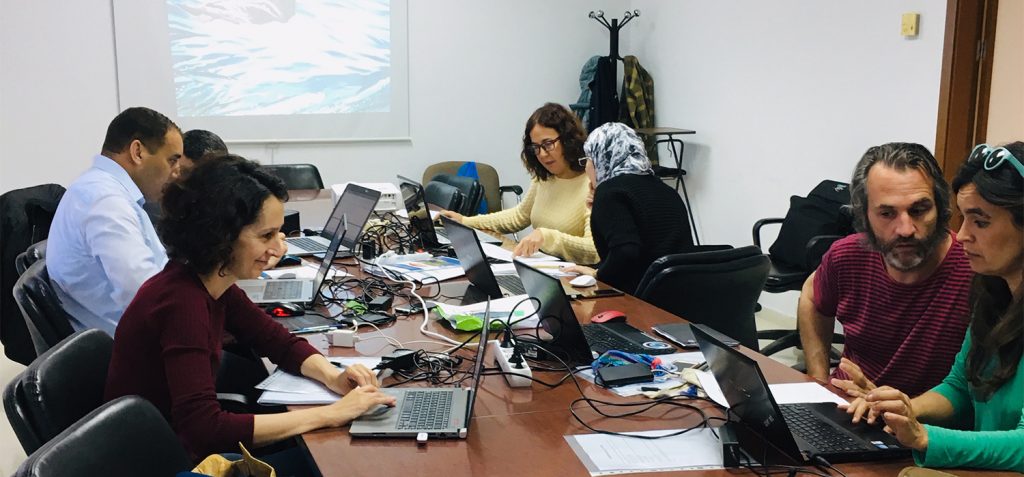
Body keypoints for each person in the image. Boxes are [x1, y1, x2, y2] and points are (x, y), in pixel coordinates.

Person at [104, 155, 396, 461]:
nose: (280, 248)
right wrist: (331, 414)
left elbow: (277, 341)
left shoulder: (207, 281)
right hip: (163, 462)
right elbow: (203, 429)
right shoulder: (182, 305)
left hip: (169, 447)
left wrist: (332, 376)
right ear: (221, 236)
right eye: (266, 236)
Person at [833, 141, 1023, 472]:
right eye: (964, 218)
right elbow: (960, 387)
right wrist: (904, 409)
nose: (962, 235)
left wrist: (924, 437)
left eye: (980, 222)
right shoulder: (993, 293)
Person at [798, 142, 972, 396]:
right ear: (865, 215)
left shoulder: (975, 269)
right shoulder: (846, 256)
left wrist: (903, 409)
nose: (905, 229)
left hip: (926, 416)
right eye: (887, 214)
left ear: (940, 207)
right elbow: (811, 296)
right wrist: (819, 382)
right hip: (847, 403)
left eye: (919, 210)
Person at [48, 107, 183, 335]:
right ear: (137, 152)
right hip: (135, 345)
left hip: (136, 335)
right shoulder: (105, 200)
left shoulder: (102, 190)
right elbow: (145, 294)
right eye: (172, 160)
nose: (176, 172)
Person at [440, 103, 599, 264]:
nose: (542, 154)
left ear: (568, 140)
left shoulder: (592, 183)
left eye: (548, 144)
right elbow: (519, 216)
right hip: (541, 266)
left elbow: (593, 249)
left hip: (573, 273)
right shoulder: (544, 177)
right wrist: (465, 221)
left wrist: (548, 237)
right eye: (536, 147)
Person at [560, 123, 694, 294]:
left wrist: (597, 274)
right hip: (681, 295)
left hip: (640, 297)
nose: (586, 167)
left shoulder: (610, 192)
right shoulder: (666, 189)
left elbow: (625, 251)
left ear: (602, 158)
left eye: (588, 159)